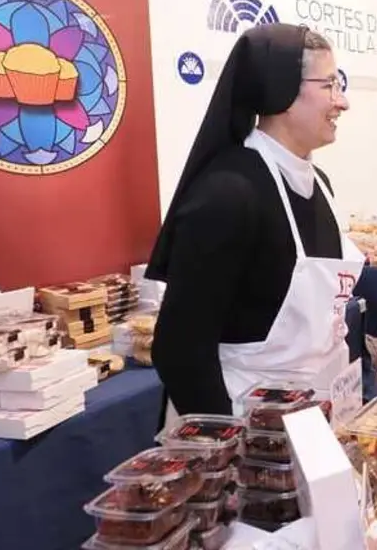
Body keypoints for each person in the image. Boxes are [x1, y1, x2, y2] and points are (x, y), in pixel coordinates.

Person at [146, 24, 364, 417]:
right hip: (244, 419)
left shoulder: (320, 184)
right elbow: (180, 348)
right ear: (282, 90)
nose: (342, 102)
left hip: (314, 413)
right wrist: (232, 441)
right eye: (330, 85)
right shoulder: (228, 194)